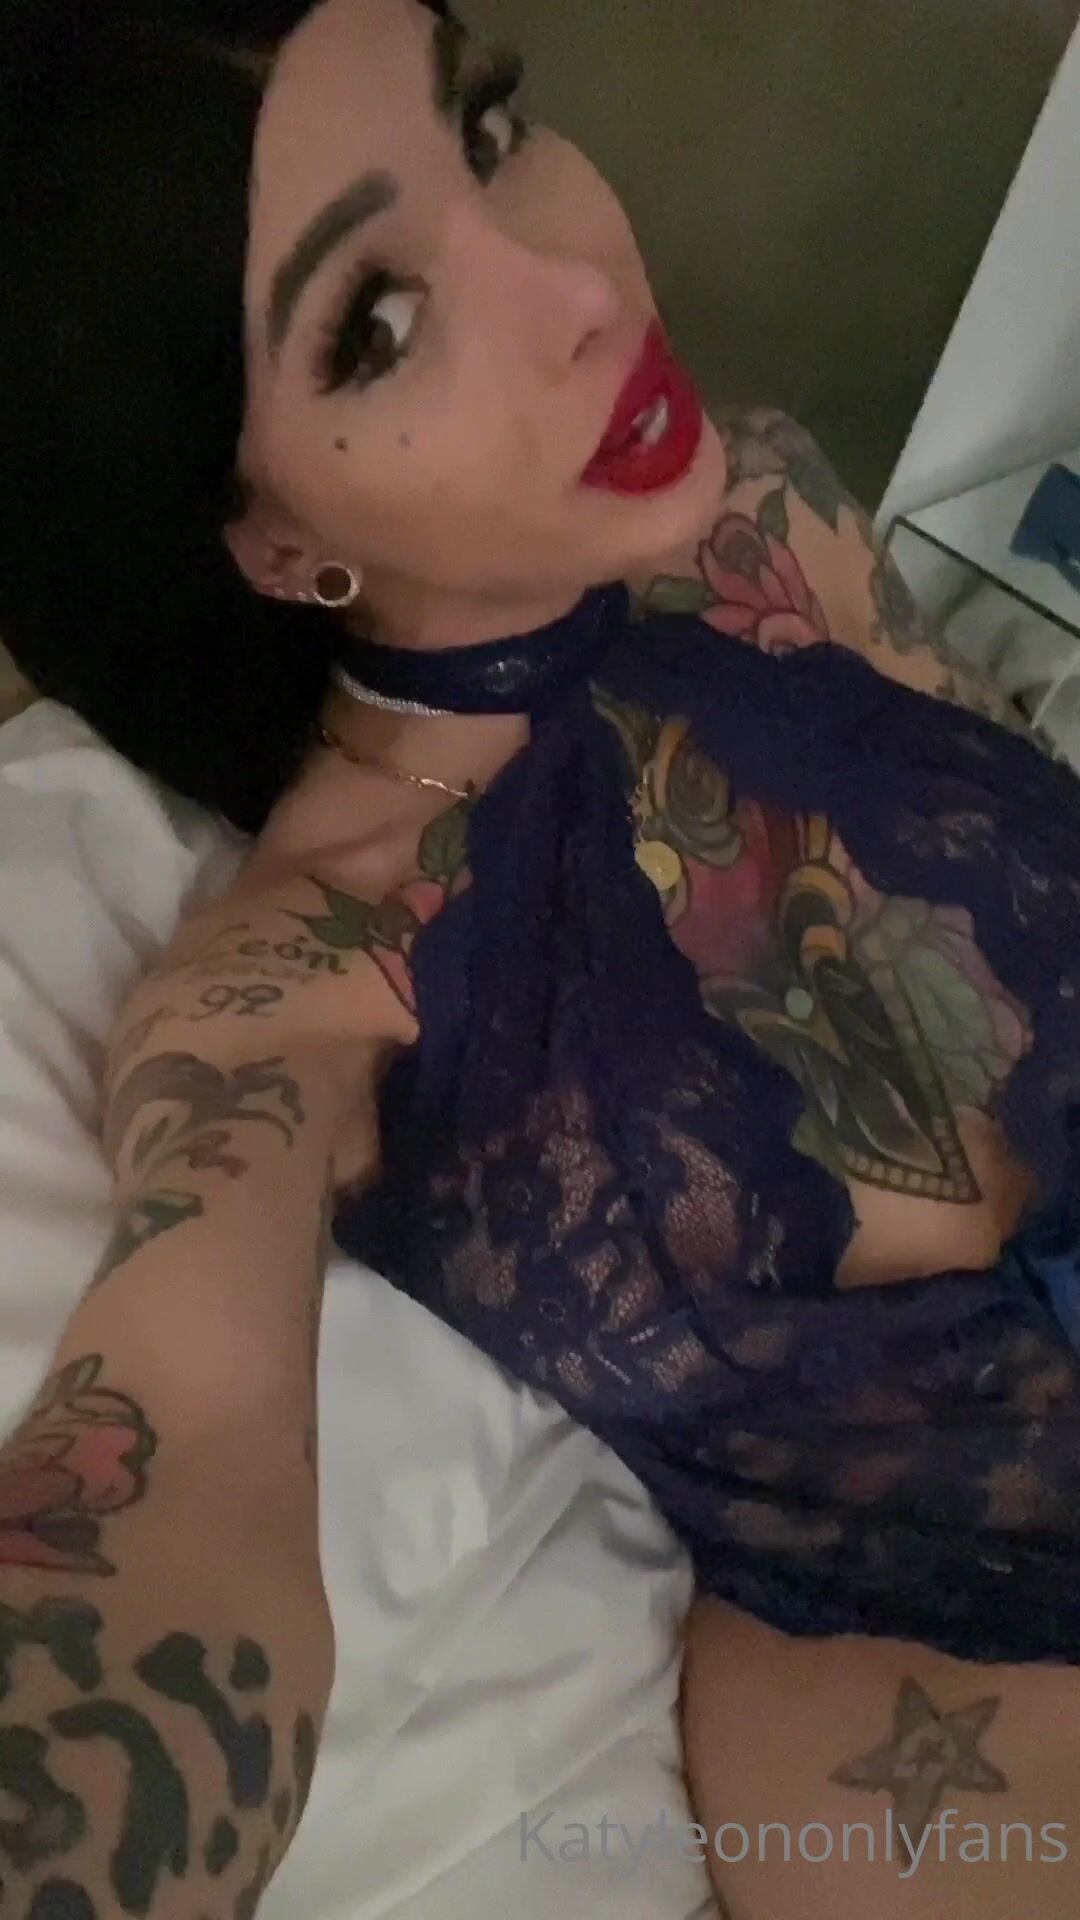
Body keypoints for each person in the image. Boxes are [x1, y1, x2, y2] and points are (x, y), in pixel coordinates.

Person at [2, 1, 1080, 1914]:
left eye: (489, 133)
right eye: (376, 323)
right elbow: (178, 1476)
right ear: (261, 533)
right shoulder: (301, 971)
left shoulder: (768, 506)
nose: (580, 279)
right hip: (957, 1694)